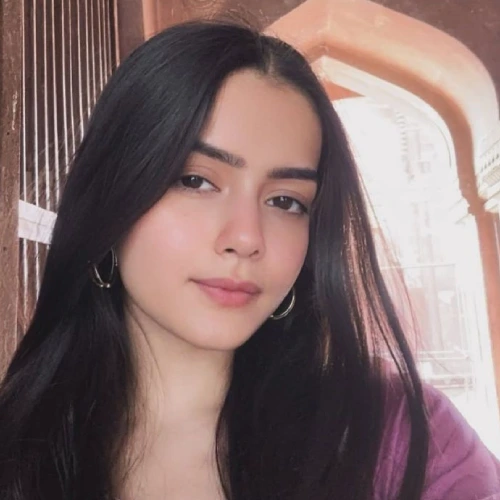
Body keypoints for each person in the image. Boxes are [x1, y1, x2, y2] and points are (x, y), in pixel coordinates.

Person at [0, 20, 498, 500]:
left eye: (285, 201)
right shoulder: (20, 441)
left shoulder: (401, 437)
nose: (246, 238)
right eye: (195, 180)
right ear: (111, 198)